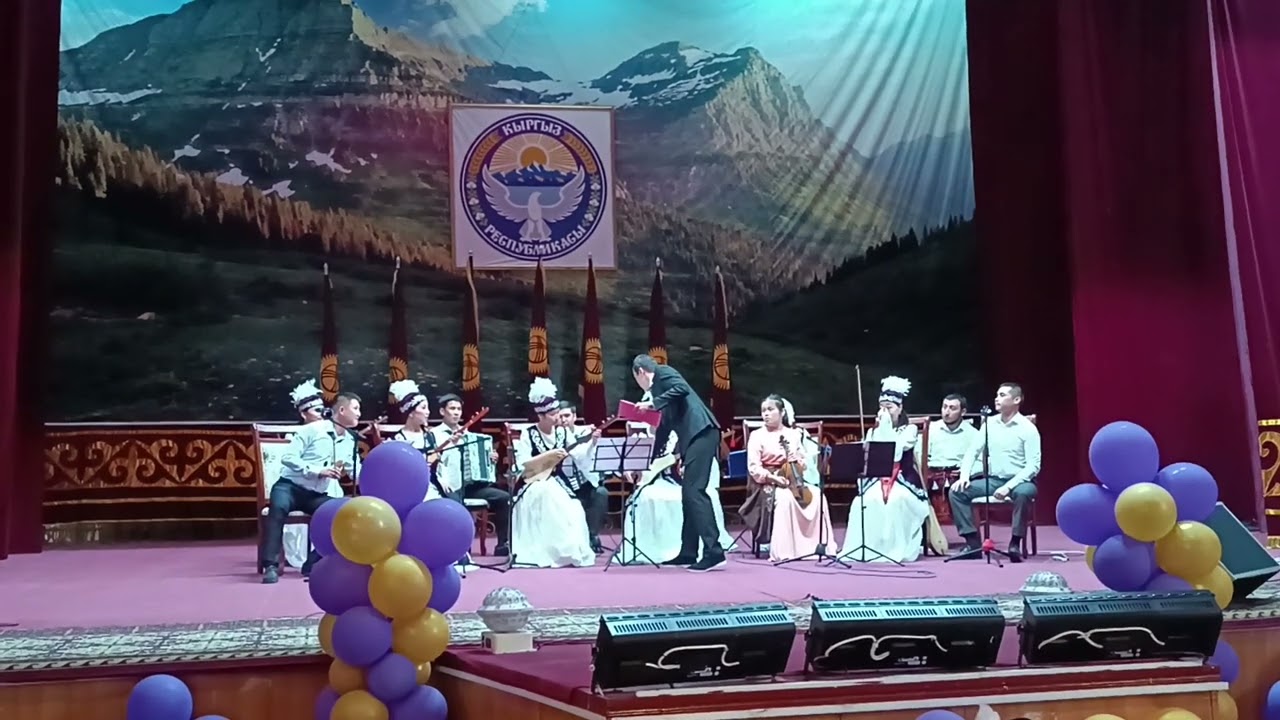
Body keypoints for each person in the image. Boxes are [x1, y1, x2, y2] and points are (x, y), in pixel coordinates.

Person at [632, 354, 725, 572]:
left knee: (695, 491)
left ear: (640, 372)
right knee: (688, 495)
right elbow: (664, 429)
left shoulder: (663, 372)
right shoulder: (659, 393)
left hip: (703, 432)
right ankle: (688, 551)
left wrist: (652, 404)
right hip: (692, 439)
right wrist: (646, 460)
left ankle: (714, 551)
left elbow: (682, 388)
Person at [260, 392, 363, 584]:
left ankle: (313, 564)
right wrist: (318, 470)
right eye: (355, 409)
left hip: (316, 495)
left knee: (343, 513)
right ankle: (270, 566)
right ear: (341, 410)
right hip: (290, 487)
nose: (359, 414)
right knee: (278, 508)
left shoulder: (350, 440)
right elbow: (288, 458)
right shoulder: (313, 430)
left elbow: (356, 473)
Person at [839, 376, 930, 564]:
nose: (885, 412)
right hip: (878, 479)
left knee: (896, 501)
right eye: (882, 408)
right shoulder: (873, 432)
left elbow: (895, 455)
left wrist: (886, 428)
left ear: (900, 408)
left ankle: (894, 548)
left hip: (903, 479)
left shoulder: (910, 430)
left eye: (890, 408)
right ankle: (871, 546)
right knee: (863, 502)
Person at [948, 382, 1041, 562]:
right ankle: (973, 543)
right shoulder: (989, 423)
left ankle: (1015, 543)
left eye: (1002, 395)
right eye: (997, 395)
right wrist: (964, 476)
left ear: (1016, 400)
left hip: (1021, 481)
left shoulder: (1027, 428)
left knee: (1023, 494)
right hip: (994, 480)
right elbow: (972, 452)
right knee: (956, 492)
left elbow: (1033, 466)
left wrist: (1008, 487)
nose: (997, 399)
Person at [510, 378, 598, 567]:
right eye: (552, 414)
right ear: (541, 416)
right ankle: (548, 551)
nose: (557, 417)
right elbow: (523, 464)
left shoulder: (563, 433)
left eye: (557, 412)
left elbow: (580, 454)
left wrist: (592, 442)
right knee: (548, 499)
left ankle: (568, 551)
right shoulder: (529, 434)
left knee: (574, 507)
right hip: (534, 483)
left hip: (557, 481)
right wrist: (548, 456)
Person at [742, 395, 833, 562]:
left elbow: (803, 462)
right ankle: (785, 550)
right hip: (766, 480)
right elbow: (753, 467)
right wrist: (773, 478)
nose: (766, 414)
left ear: (782, 412)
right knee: (785, 498)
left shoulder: (793, 435)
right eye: (763, 411)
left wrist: (795, 460)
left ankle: (812, 547)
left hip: (791, 476)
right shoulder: (757, 435)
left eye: (770, 410)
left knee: (818, 496)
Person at [431, 392, 510, 556]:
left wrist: (490, 458)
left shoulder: (469, 435)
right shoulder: (434, 435)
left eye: (459, 409)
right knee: (456, 504)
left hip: (471, 486)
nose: (456, 412)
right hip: (449, 484)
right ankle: (461, 550)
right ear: (442, 411)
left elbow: (481, 459)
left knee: (503, 498)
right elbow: (434, 460)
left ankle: (502, 544)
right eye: (452, 409)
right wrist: (441, 478)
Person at [280, 379, 344, 571]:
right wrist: (317, 471)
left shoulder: (329, 434)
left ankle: (319, 555)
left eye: (322, 410)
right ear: (303, 414)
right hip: (298, 487)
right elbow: (289, 461)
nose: (321, 415)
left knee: (339, 509)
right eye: (316, 411)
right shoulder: (296, 436)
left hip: (323, 488)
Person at [557, 401, 610, 552]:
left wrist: (593, 442)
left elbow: (586, 458)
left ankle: (592, 535)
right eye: (560, 417)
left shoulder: (585, 432)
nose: (563, 420)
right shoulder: (554, 435)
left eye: (567, 416)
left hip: (585, 481)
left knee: (601, 493)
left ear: (574, 417)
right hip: (562, 484)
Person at [922, 393, 978, 524]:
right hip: (932, 473)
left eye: (952, 408)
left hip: (958, 475)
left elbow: (981, 460)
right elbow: (920, 454)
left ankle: (968, 532)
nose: (947, 412)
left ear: (963, 412)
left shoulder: (973, 434)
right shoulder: (931, 429)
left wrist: (966, 473)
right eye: (945, 407)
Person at [387, 380, 443, 501]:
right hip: (406, 487)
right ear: (411, 413)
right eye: (423, 408)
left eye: (428, 408)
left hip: (429, 485)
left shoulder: (430, 437)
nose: (428, 412)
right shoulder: (397, 440)